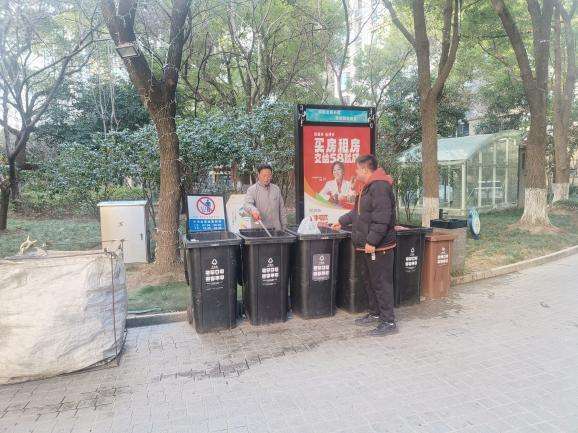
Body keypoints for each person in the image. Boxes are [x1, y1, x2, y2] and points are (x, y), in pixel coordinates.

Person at [332, 154, 397, 336]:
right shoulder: (367, 187)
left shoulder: (380, 187)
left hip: (379, 247)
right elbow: (357, 213)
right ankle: (375, 313)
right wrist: (341, 221)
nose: (355, 172)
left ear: (365, 169)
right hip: (367, 246)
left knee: (381, 283)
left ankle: (389, 322)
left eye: (357, 169)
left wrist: (372, 241)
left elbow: (382, 218)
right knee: (370, 281)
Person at [244, 163, 287, 231]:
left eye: (269, 175)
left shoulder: (276, 189)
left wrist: (284, 227)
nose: (266, 178)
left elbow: (282, 209)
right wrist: (253, 211)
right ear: (258, 175)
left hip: (276, 230)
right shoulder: (252, 190)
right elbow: (247, 204)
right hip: (260, 231)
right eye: (264, 175)